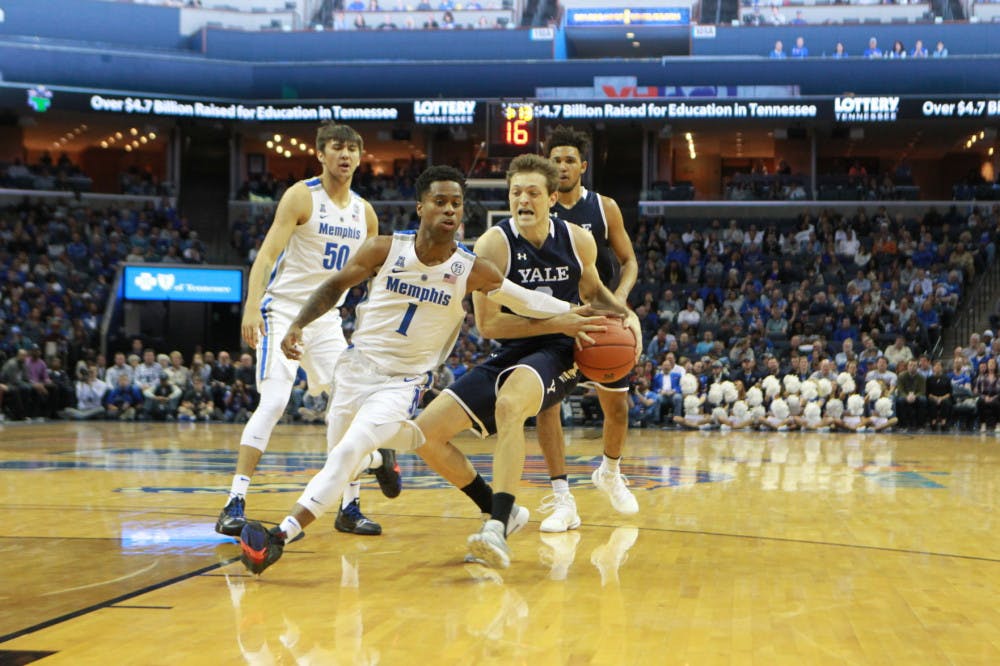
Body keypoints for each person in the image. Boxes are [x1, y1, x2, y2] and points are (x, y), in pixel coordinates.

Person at [237, 164, 608, 574]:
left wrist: (569, 313)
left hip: (402, 382)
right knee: (347, 458)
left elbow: (523, 299)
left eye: (456, 204)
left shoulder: (471, 269)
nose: (449, 210)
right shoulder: (382, 249)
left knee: (347, 452)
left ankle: (279, 536)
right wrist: (297, 324)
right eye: (440, 202)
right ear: (420, 207)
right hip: (356, 368)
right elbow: (334, 286)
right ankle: (384, 463)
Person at [215, 122, 384, 539]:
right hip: (285, 312)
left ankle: (350, 506)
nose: (344, 155)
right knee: (273, 401)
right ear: (321, 155)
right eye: (335, 147)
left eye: (351, 149)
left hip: (326, 319)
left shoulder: (365, 213)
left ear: (360, 158)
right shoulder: (300, 196)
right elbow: (268, 252)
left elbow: (375, 274)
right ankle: (233, 503)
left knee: (352, 408)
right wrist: (251, 306)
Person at [533, 126, 641, 534]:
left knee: (617, 409)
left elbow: (628, 260)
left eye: (568, 160)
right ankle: (562, 498)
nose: (562, 166)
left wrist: (622, 300)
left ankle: (610, 472)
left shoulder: (603, 207)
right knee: (547, 407)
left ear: (582, 165)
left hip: (600, 318)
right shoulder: (537, 209)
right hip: (558, 318)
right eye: (555, 159)